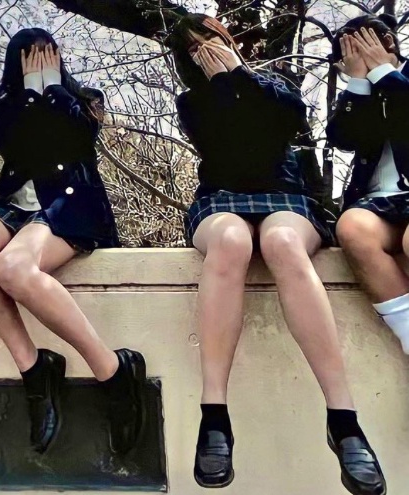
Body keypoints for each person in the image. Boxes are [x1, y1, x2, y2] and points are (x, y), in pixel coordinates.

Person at [168, 13, 386, 494]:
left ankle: (344, 420)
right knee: (231, 241)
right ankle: (214, 415)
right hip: (221, 199)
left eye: (208, 39)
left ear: (226, 37)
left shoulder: (275, 84)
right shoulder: (193, 102)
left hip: (287, 198)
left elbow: (284, 124)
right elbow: (225, 149)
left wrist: (239, 76)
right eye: (193, 49)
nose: (204, 51)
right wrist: (222, 84)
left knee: (283, 243)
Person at [0, 28, 146, 456]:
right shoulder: (7, 110)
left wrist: (52, 88)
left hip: (69, 206)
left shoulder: (85, 100)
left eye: (47, 55)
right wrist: (29, 92)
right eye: (29, 57)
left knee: (13, 269)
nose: (39, 62)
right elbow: (7, 141)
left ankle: (113, 371)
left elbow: (78, 136)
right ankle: (34, 369)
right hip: (12, 208)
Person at [330, 14, 409, 361]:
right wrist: (359, 84)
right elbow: (342, 138)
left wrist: (384, 73)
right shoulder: (361, 92)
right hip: (379, 202)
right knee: (351, 227)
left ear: (387, 42)